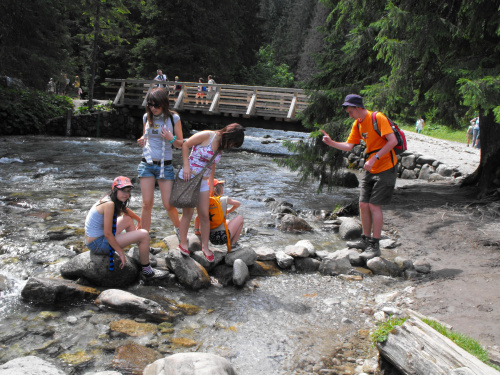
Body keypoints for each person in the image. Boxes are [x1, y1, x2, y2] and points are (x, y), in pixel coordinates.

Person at [321, 94, 398, 261]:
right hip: (371, 167)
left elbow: (392, 141)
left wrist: (375, 158)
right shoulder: (358, 124)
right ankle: (364, 239)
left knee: (374, 206)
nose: (349, 115)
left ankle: (375, 245)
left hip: (386, 167)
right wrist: (331, 142)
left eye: (350, 111)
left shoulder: (378, 118)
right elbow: (349, 146)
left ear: (358, 107)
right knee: (363, 204)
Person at [176, 123, 245, 262]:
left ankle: (205, 247)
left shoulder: (221, 146)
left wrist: (211, 184)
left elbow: (212, 164)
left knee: (204, 215)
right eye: (233, 143)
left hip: (203, 182)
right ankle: (183, 243)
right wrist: (186, 167)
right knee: (188, 213)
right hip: (189, 178)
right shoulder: (207, 135)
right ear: (229, 135)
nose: (231, 146)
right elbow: (185, 145)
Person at [84, 176, 168, 280]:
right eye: (123, 191)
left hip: (94, 240)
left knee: (127, 219)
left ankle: (144, 248)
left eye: (128, 191)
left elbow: (124, 209)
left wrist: (138, 219)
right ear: (115, 189)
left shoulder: (109, 198)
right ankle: (147, 271)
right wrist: (121, 253)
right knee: (144, 234)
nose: (126, 194)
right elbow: (108, 233)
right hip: (98, 245)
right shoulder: (109, 204)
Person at [137, 87, 183, 237]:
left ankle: (179, 230)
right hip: (147, 164)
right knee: (146, 204)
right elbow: (145, 137)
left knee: (168, 204)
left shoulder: (173, 118)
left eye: (157, 105)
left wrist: (171, 138)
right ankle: (144, 236)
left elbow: (181, 144)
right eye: (151, 105)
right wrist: (141, 141)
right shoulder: (146, 117)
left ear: (164, 104)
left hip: (165, 165)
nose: (153, 108)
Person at [193, 179, 244, 249]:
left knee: (228, 221)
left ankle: (228, 243)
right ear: (216, 189)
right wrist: (229, 210)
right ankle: (233, 244)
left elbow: (197, 218)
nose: (222, 188)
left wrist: (197, 232)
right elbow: (238, 204)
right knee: (240, 218)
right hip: (222, 237)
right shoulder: (224, 199)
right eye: (220, 186)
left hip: (211, 238)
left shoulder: (204, 201)